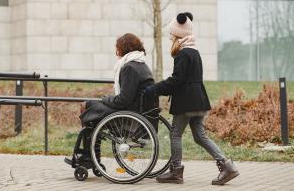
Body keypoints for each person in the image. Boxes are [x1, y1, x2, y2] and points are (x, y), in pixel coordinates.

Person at [144, 12, 239, 185]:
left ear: (178, 34)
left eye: (171, 34)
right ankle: (227, 166)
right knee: (200, 136)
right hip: (199, 100)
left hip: (186, 102)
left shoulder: (183, 53)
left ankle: (175, 171)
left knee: (175, 134)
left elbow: (176, 80)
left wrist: (154, 89)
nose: (170, 37)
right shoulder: (194, 51)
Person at [65, 33, 157, 165]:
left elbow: (123, 100)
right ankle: (90, 156)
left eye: (117, 48)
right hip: (137, 112)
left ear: (123, 48)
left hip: (129, 116)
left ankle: (89, 156)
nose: (116, 52)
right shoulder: (141, 64)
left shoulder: (129, 67)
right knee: (90, 109)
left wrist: (106, 99)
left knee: (85, 106)